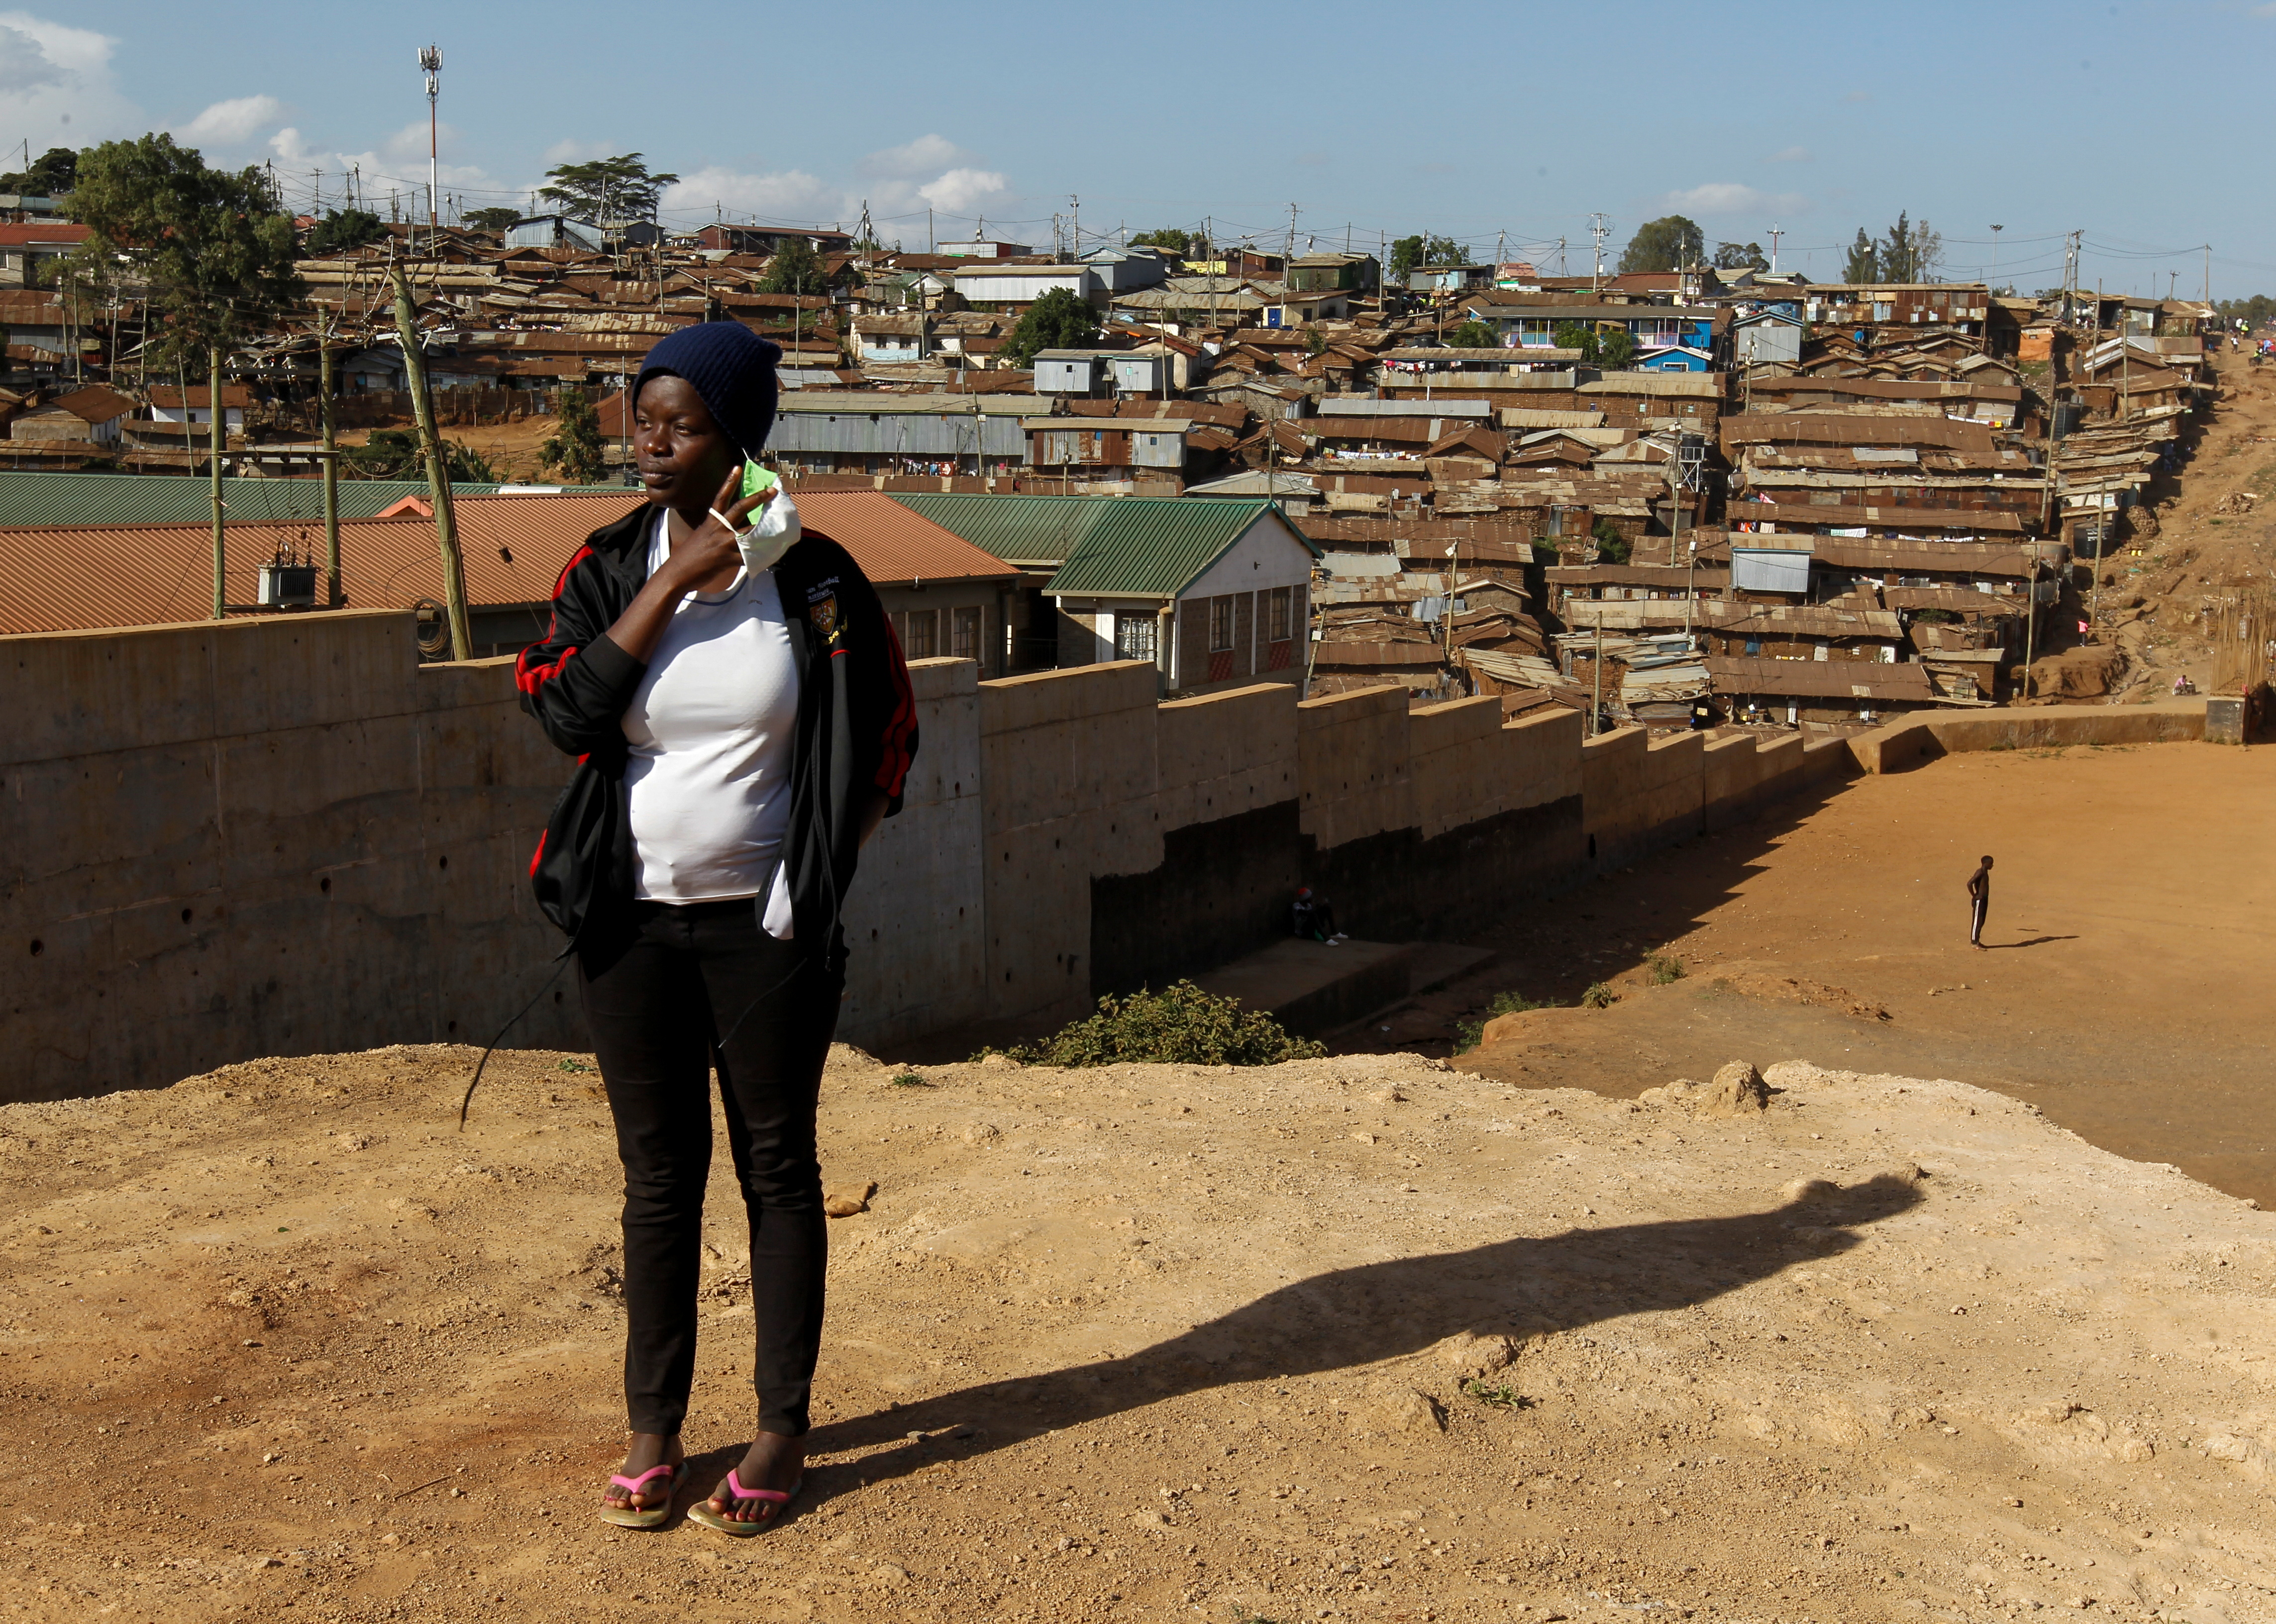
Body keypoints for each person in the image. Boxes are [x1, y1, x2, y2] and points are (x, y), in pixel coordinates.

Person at [516, 321, 918, 1536]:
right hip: (627, 921)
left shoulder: (820, 579)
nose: (648, 441)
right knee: (657, 1178)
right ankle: (654, 1428)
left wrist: (823, 871)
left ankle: (781, 1428)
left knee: (776, 1165)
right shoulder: (601, 565)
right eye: (640, 417)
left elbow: (889, 734)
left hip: (766, 927)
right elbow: (565, 706)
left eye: (679, 424)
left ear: (737, 439)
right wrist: (676, 578)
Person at [1966, 855, 1993, 951]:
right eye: (1991, 864)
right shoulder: (1981, 872)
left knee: (1981, 921)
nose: (1992, 866)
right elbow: (1970, 883)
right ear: (1986, 864)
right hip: (1980, 899)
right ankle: (1974, 942)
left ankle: (1977, 941)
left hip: (1984, 899)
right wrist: (1975, 896)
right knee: (1977, 921)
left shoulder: (1985, 872)